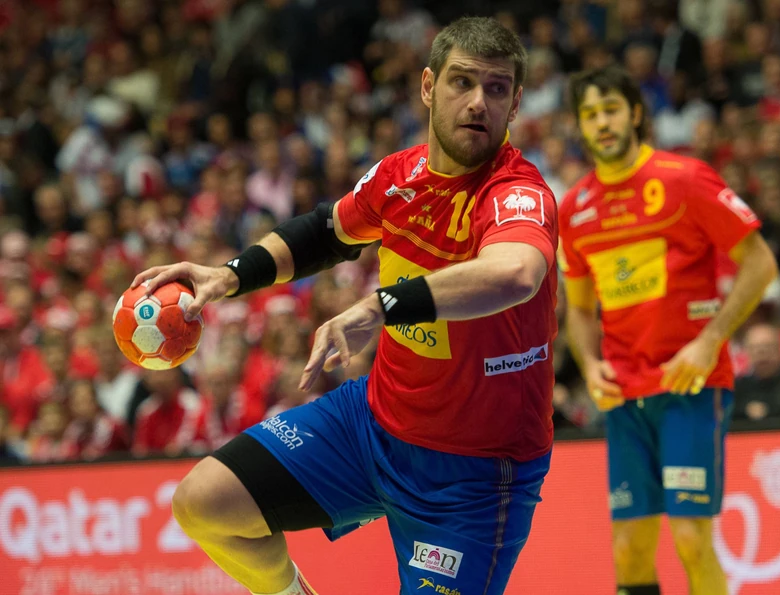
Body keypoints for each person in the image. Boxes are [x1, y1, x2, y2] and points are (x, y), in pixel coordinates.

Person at [131, 17, 559, 595]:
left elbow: (516, 273)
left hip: (474, 476)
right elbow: (326, 233)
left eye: (497, 88)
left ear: (516, 103)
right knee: (205, 504)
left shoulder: (517, 192)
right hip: (372, 426)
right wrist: (229, 275)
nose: (479, 101)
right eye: (462, 81)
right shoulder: (399, 175)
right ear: (428, 86)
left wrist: (381, 307)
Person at [558, 65, 778, 595]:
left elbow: (760, 264)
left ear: (635, 113)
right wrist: (589, 364)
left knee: (690, 538)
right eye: (590, 114)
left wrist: (709, 342)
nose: (601, 123)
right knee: (628, 548)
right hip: (624, 396)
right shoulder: (574, 209)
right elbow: (580, 311)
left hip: (689, 387)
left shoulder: (684, 178)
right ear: (579, 126)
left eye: (611, 109)